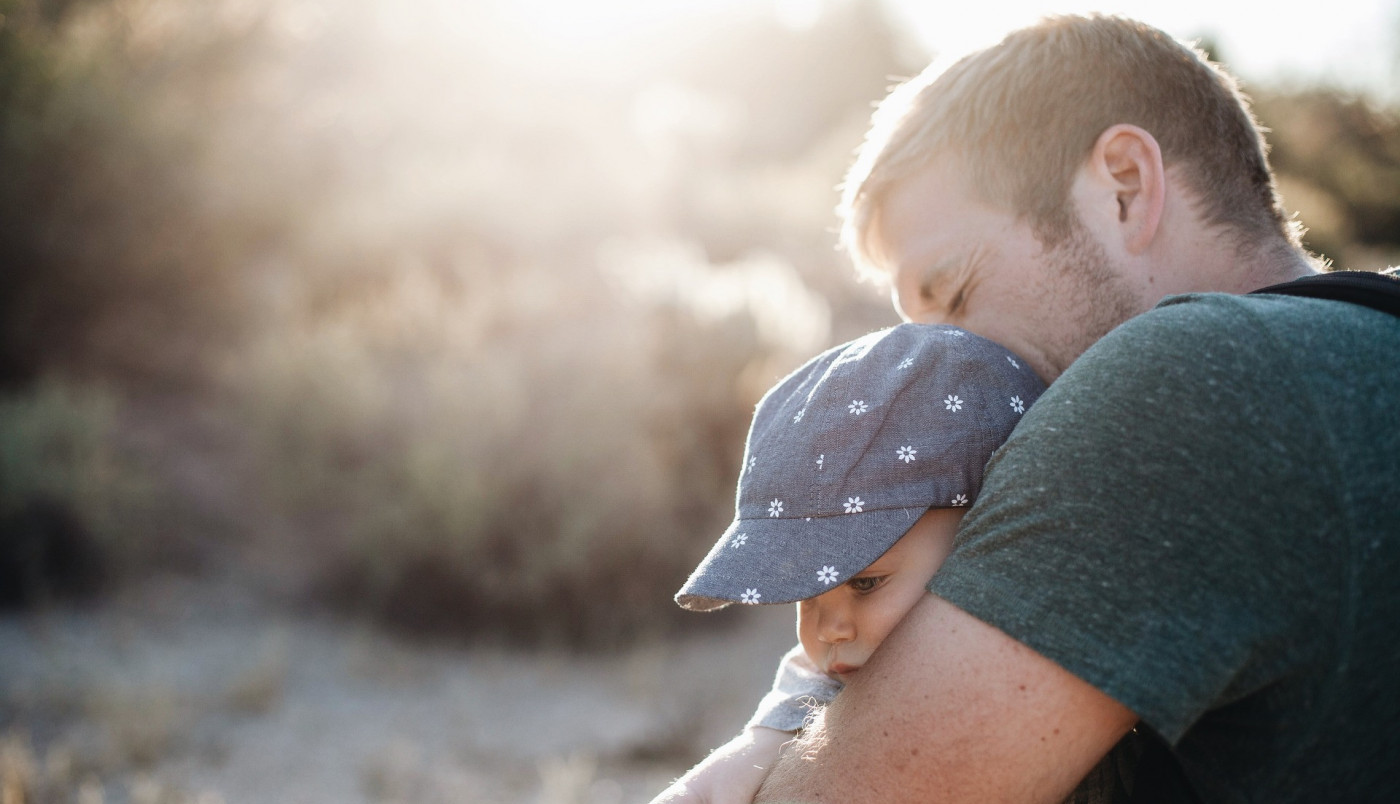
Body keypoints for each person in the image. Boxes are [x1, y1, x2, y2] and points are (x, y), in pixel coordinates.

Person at [746, 13, 1400, 804]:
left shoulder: (1177, 385)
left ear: (1124, 186)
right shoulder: (1365, 343)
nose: (933, 372)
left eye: (954, 295)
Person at [651, 323, 1137, 804]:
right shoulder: (847, 668)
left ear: (986, 533)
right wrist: (761, 743)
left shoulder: (1078, 633)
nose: (829, 630)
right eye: (806, 594)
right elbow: (807, 682)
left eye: (865, 582)